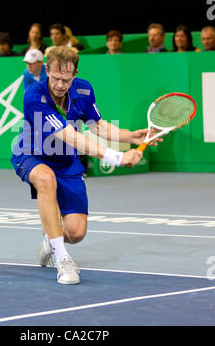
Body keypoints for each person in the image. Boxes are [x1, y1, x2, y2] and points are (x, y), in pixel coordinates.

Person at [11, 46, 161, 285]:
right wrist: (117, 157)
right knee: (45, 179)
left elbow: (98, 126)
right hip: (32, 155)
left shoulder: (83, 89)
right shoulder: (34, 96)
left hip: (67, 162)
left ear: (75, 73)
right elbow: (71, 137)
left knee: (76, 233)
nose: (60, 84)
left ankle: (51, 237)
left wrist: (130, 136)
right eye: (56, 78)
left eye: (66, 79)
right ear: (47, 70)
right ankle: (62, 260)